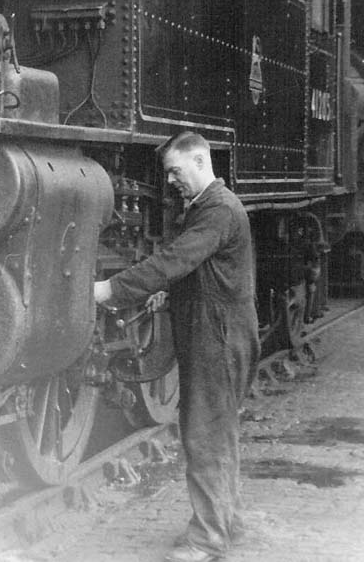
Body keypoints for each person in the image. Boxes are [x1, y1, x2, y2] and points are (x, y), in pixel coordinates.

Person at [94, 131, 259, 562]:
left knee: (204, 435)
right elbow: (202, 270)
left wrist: (110, 289)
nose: (170, 181)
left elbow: (175, 260)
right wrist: (169, 295)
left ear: (200, 162)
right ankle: (227, 520)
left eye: (175, 171)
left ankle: (207, 541)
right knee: (218, 432)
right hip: (217, 330)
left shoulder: (217, 210)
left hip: (217, 337)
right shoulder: (208, 207)